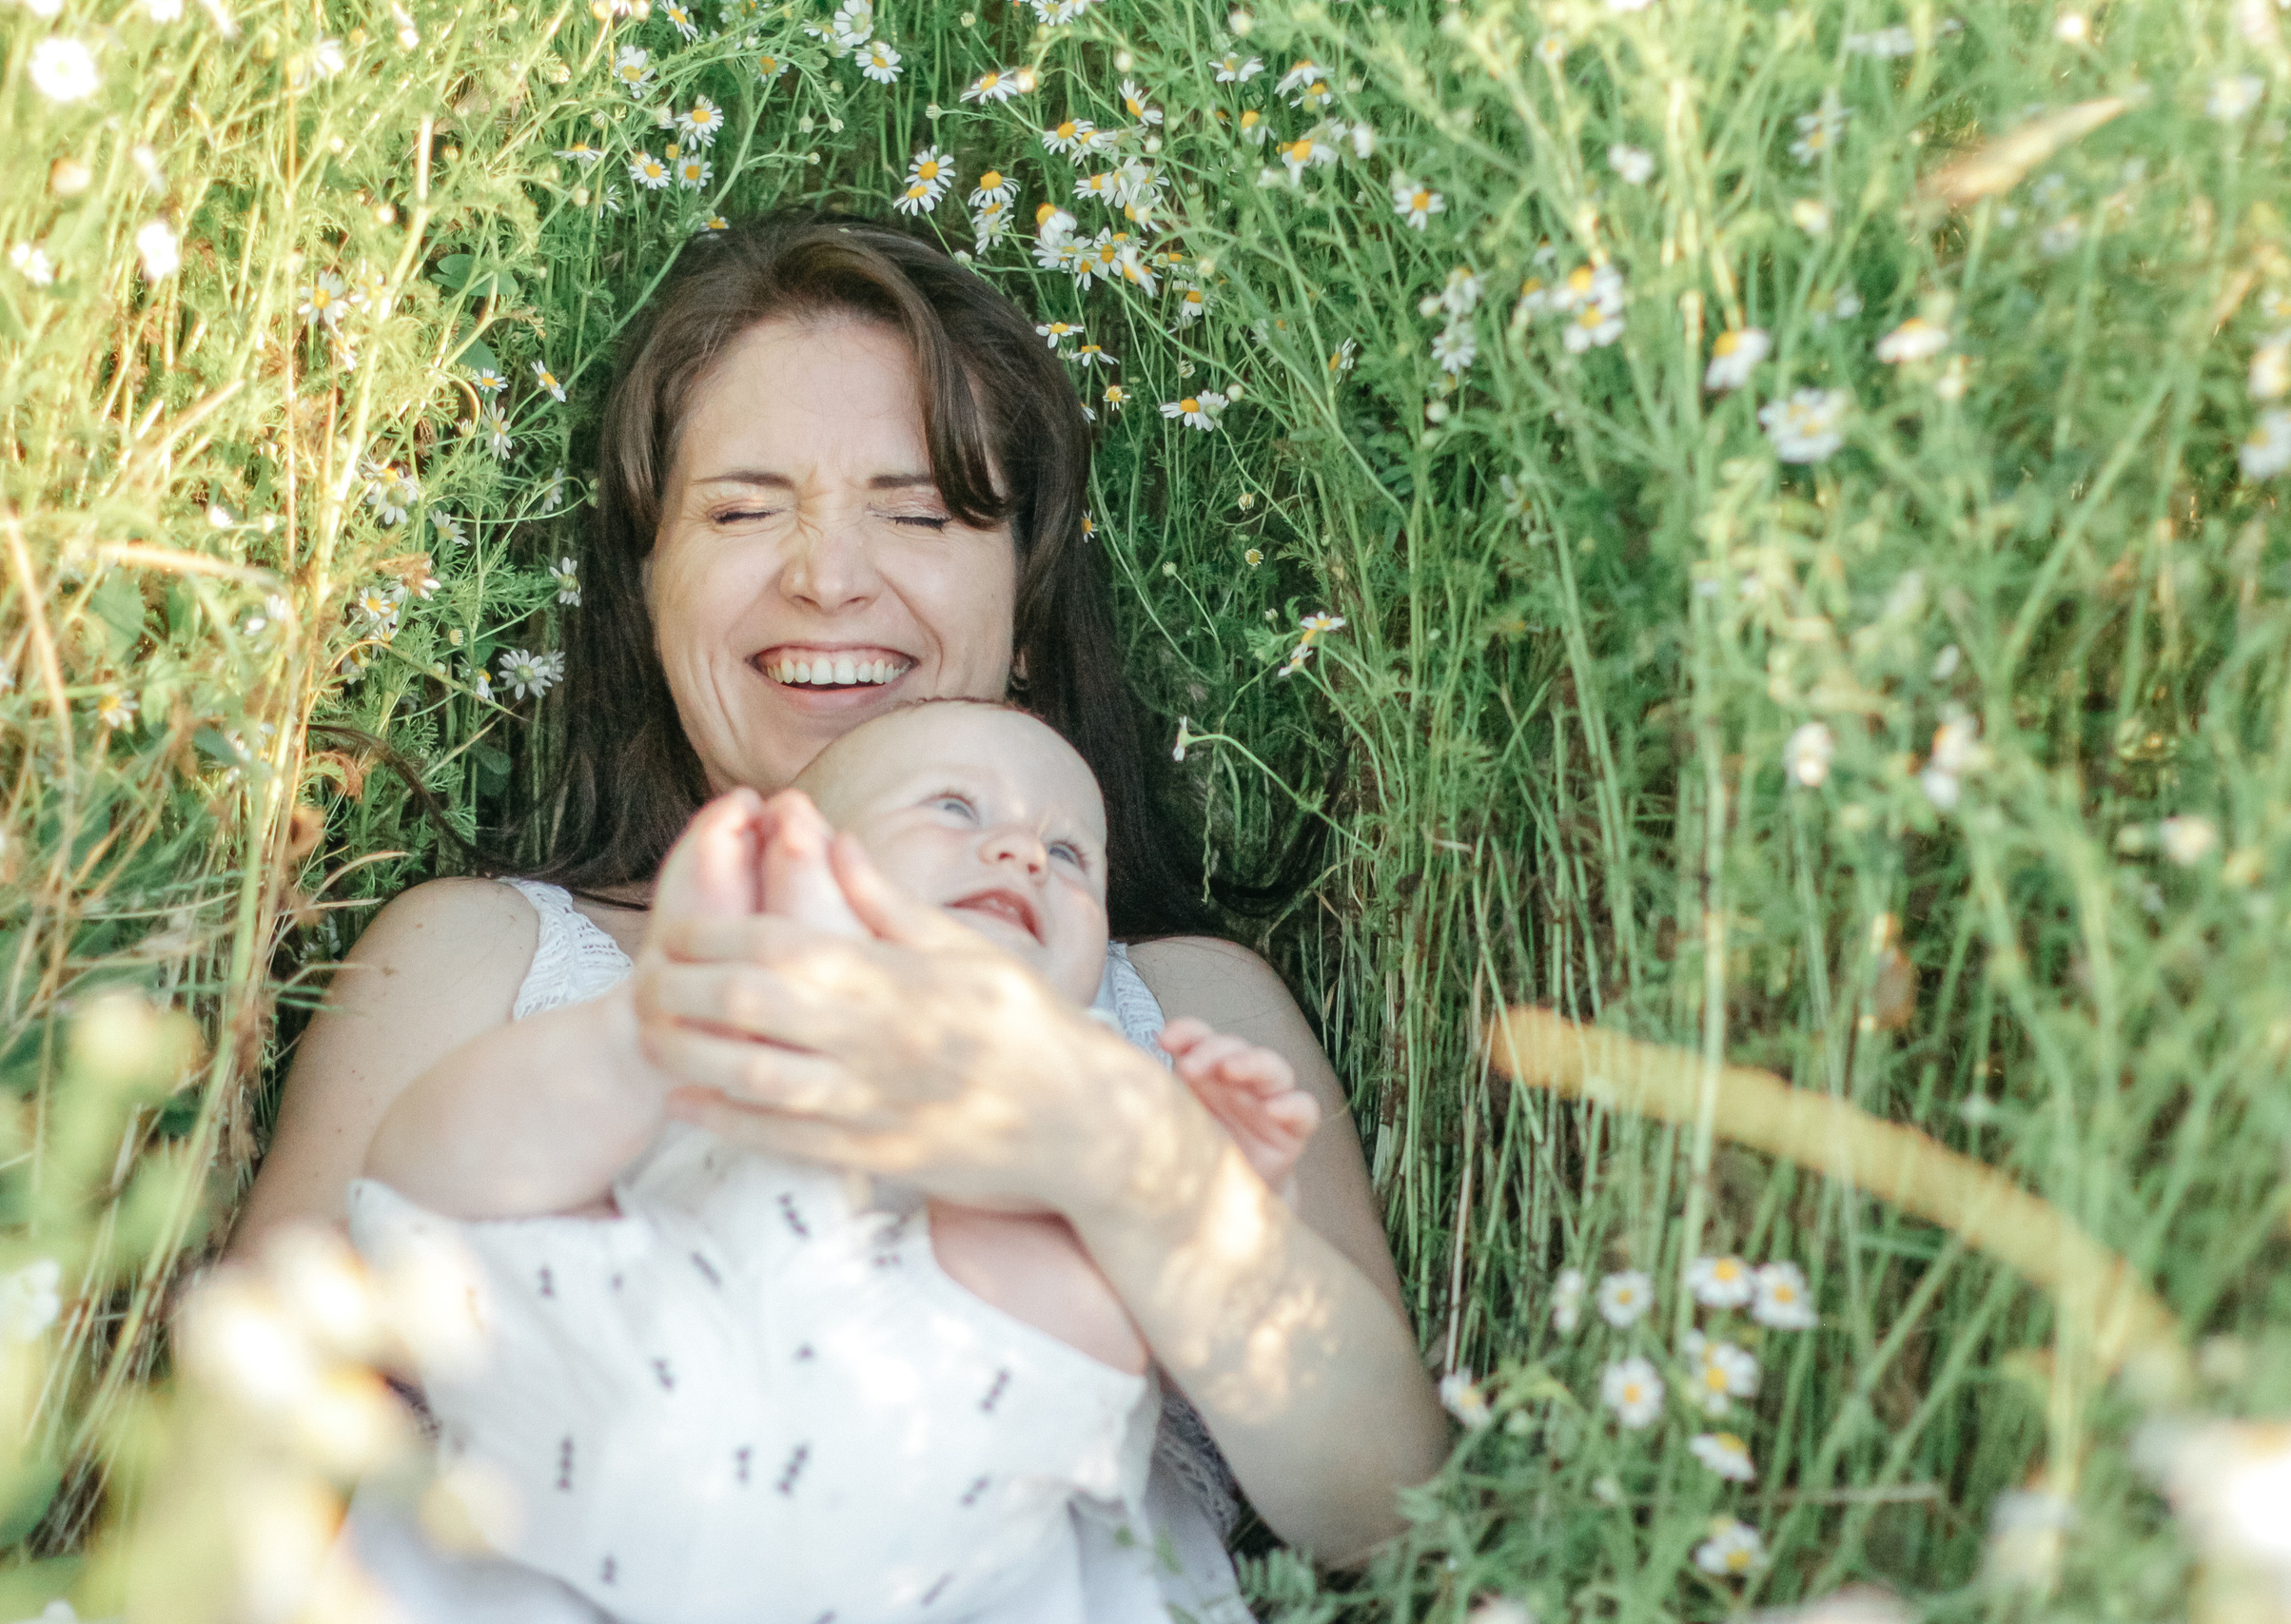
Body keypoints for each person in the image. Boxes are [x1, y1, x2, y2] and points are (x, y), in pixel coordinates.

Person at [234, 210, 1446, 1620]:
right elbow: (247, 1426)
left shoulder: (1179, 1015)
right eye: (744, 510)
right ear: (648, 588)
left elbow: (1388, 1511)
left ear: (1028, 607)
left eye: (920, 510)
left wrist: (1129, 1166)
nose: (828, 572)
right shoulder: (488, 954)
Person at [350, 701, 1322, 1620]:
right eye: (954, 806)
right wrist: (640, 1041)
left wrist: (1198, 1184)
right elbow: (424, 1206)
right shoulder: (719, 1017)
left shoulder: (1110, 1064)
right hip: (646, 1372)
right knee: (469, 1185)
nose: (1026, 851)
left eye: (1071, 855)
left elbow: (1219, 1342)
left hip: (937, 1465)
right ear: (785, 867)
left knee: (1077, 1269)